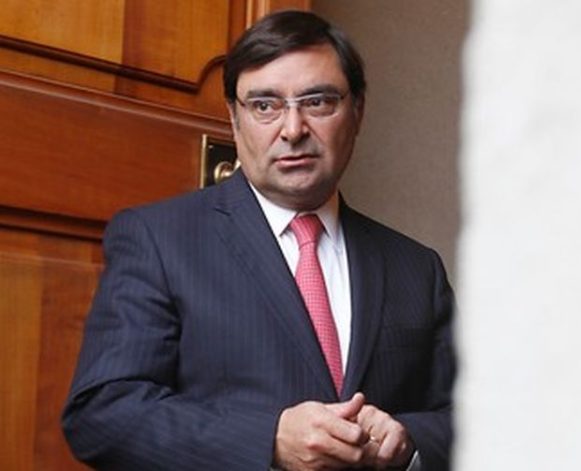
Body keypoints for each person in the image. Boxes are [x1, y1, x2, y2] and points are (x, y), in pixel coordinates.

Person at [62, 10, 455, 471]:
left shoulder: (416, 267)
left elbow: (475, 417)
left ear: (357, 112)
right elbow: (102, 414)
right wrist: (268, 439)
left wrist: (408, 441)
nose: (293, 129)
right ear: (234, 119)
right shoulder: (158, 240)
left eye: (317, 102)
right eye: (265, 106)